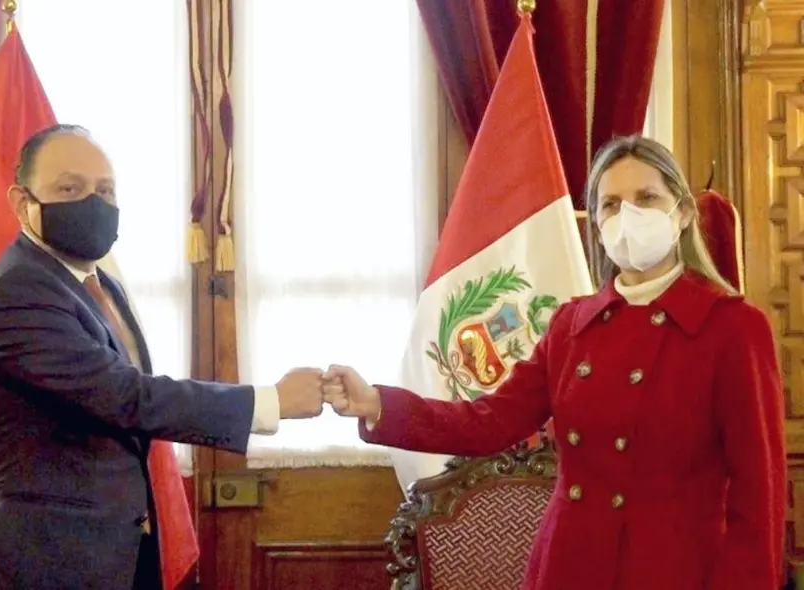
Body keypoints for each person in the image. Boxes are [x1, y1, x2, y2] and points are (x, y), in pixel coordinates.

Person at [322, 135, 786, 590]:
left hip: (675, 570)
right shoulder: (572, 326)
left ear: (682, 213)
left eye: (646, 198)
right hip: (569, 566)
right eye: (611, 204)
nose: (628, 216)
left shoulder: (733, 329)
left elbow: (758, 497)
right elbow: (488, 422)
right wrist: (377, 404)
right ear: (597, 224)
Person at [0, 124, 324, 590]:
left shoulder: (96, 284)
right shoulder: (16, 293)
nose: (94, 203)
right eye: (69, 188)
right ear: (21, 203)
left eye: (105, 190)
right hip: (40, 558)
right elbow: (125, 397)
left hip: (109, 549)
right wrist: (269, 402)